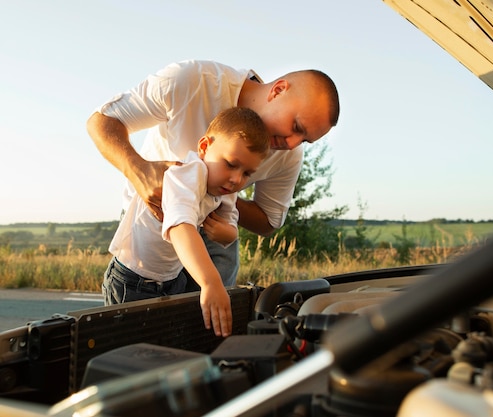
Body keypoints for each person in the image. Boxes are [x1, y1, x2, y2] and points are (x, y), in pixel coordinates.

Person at [87, 59, 340, 286]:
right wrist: (139, 171)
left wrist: (216, 197)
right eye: (296, 127)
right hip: (151, 223)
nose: (293, 143)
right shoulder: (192, 80)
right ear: (278, 90)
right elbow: (102, 121)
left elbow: (269, 220)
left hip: (214, 235)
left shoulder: (289, 155)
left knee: (210, 326)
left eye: (304, 140)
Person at [103, 107, 270, 337]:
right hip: (133, 278)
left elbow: (231, 221)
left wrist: (228, 233)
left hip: (172, 279)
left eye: (247, 173)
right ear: (204, 147)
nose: (236, 179)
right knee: (128, 350)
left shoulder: (226, 188)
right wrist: (211, 282)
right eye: (231, 164)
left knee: (164, 346)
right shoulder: (188, 174)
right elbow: (180, 228)